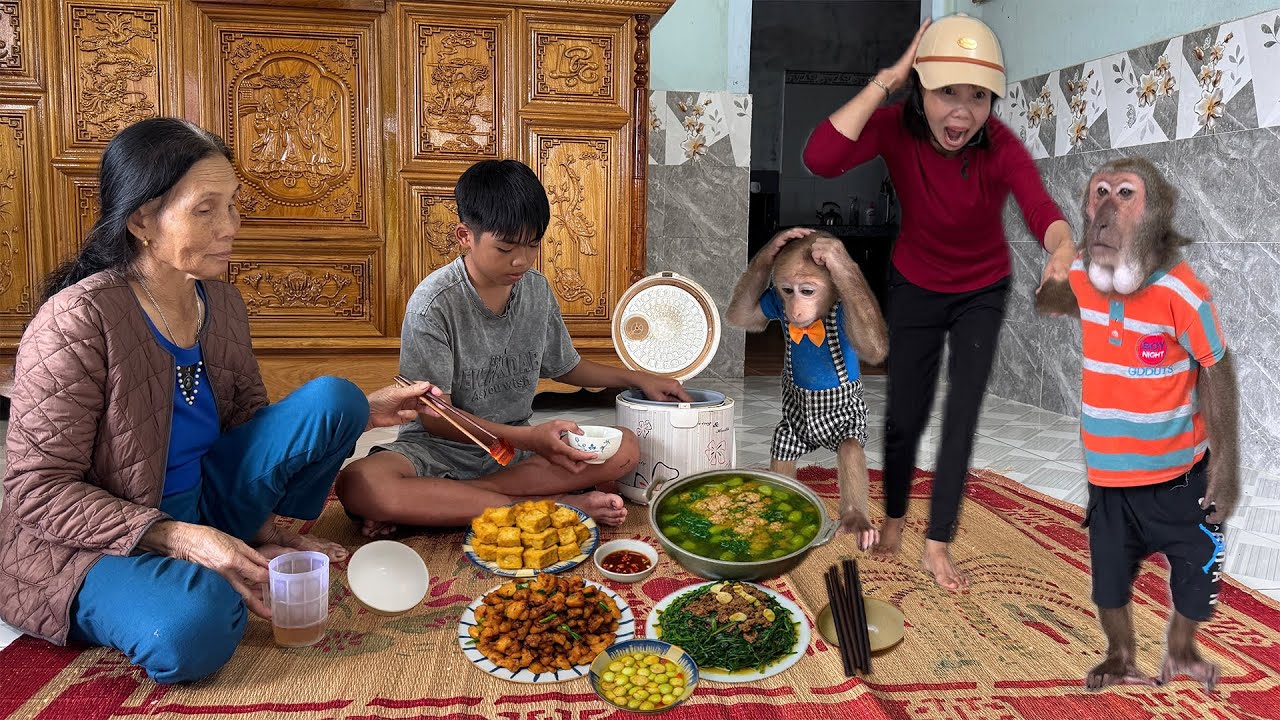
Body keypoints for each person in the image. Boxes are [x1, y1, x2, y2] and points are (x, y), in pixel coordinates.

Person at [0, 117, 439, 684]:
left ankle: (254, 535)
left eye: (233, 205)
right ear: (141, 220)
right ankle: (160, 588)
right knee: (195, 624)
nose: (230, 227)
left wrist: (362, 409)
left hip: (206, 501)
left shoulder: (221, 304)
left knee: (337, 397)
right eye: (205, 210)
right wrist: (177, 536)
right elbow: (38, 490)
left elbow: (247, 424)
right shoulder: (77, 320)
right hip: (97, 541)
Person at [802, 14, 1075, 590]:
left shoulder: (999, 146)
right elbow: (821, 159)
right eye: (947, 91)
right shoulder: (894, 126)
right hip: (916, 283)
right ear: (921, 88)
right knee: (905, 416)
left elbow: (1038, 207)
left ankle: (937, 542)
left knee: (962, 414)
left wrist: (1063, 243)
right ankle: (897, 519)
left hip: (981, 289)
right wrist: (890, 76)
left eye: (978, 97)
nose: (963, 112)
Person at [336, 159, 690, 536]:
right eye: (505, 248)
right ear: (464, 236)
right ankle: (548, 507)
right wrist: (531, 438)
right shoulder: (433, 304)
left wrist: (639, 378)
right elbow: (437, 418)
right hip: (438, 451)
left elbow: (565, 366)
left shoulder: (535, 290)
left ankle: (446, 502)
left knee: (626, 449)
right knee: (358, 484)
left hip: (516, 457)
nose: (521, 260)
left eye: (532, 245)